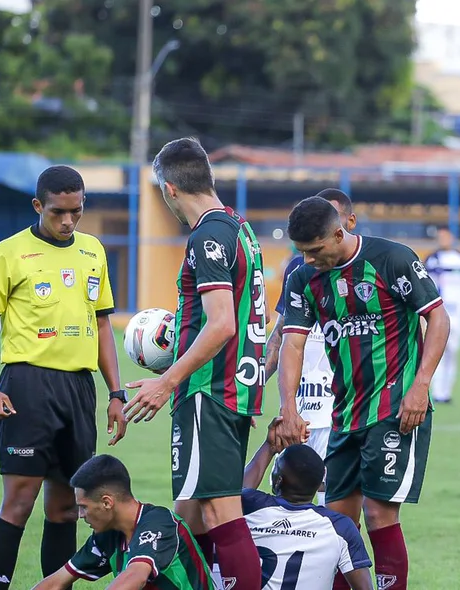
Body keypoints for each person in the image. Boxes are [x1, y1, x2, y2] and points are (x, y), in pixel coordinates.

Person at [274, 195, 450, 590]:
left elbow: (437, 317)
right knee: (335, 523)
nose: (309, 260)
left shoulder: (392, 259)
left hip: (396, 407)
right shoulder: (303, 277)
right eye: (301, 252)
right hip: (345, 413)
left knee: (378, 516)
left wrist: (421, 386)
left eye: (315, 250)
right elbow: (293, 343)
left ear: (341, 232)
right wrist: (289, 406)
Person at [0, 165, 129, 590]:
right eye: (58, 212)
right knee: (18, 502)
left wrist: (115, 392)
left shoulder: (93, 251)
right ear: (38, 205)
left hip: (79, 390)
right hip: (27, 387)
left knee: (65, 508)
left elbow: (103, 326)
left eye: (76, 211)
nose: (68, 221)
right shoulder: (7, 253)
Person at [122, 138, 266, 590]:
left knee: (219, 509)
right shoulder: (239, 228)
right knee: (190, 510)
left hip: (210, 389)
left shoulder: (207, 234)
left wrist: (166, 380)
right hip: (234, 386)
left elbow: (221, 322)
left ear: (168, 189)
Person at [264, 188, 358, 504]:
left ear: (346, 224)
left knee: (339, 504)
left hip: (345, 406)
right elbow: (280, 333)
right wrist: (255, 382)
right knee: (292, 502)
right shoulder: (300, 270)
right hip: (304, 406)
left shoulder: (366, 268)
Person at [31, 454, 216, 590]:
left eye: (84, 507)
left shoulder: (159, 523)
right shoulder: (107, 535)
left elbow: (136, 575)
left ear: (106, 502)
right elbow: (56, 582)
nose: (80, 515)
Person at [239, 428, 374, 590]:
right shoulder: (340, 527)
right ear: (318, 485)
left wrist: (269, 447)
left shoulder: (252, 506)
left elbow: (232, 495)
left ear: (278, 481)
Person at [423, 227, 460, 404]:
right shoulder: (432, 259)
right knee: (437, 350)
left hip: (457, 312)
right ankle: (437, 391)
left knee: (452, 351)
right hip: (439, 312)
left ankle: (447, 391)